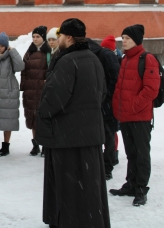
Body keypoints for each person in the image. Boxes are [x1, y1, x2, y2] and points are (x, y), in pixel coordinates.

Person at [36, 18, 110, 228]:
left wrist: (43, 111)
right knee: (88, 190)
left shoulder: (67, 61)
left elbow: (53, 100)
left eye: (60, 36)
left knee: (68, 190)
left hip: (67, 138)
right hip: (88, 136)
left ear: (68, 37)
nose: (57, 39)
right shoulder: (93, 59)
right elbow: (102, 93)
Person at [110, 24, 160, 206]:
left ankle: (141, 189)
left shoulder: (147, 59)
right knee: (131, 153)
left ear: (137, 40)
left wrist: (133, 106)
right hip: (126, 116)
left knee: (141, 153)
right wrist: (118, 107)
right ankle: (131, 184)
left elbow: (151, 89)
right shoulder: (125, 59)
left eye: (127, 38)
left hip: (140, 117)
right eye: (122, 37)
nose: (123, 41)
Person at [87, 38, 120, 180]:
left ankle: (107, 167)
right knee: (97, 135)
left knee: (108, 135)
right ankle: (99, 165)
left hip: (107, 103)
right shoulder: (94, 55)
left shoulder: (106, 55)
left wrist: (106, 97)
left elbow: (115, 79)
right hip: (96, 102)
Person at [21, 26, 51, 157]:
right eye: (33, 37)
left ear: (43, 38)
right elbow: (24, 72)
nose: (35, 39)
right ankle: (35, 144)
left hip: (43, 90)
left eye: (38, 36)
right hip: (30, 90)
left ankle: (45, 145)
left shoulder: (48, 52)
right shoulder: (29, 52)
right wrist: (23, 87)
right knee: (32, 117)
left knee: (43, 118)